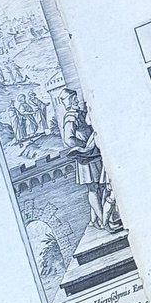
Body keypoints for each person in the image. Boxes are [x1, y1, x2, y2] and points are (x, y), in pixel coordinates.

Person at [60, 90, 112, 231]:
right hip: (85, 157)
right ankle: (103, 221)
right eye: (74, 99)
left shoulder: (80, 114)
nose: (77, 101)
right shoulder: (70, 118)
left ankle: (95, 220)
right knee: (93, 188)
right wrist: (85, 146)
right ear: (70, 101)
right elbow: (68, 140)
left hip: (93, 154)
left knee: (99, 187)